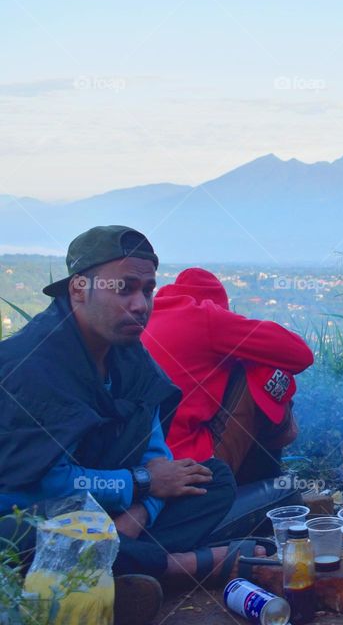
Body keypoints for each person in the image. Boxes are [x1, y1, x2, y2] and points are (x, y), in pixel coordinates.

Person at [0, 227, 258, 625]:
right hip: (32, 512)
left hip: (114, 515)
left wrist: (138, 513)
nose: (140, 304)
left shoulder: (129, 355)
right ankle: (180, 566)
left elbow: (158, 458)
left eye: (148, 290)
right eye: (124, 289)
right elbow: (46, 483)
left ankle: (108, 568)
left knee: (212, 478)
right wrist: (139, 483)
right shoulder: (30, 366)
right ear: (79, 289)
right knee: (28, 529)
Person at [142, 268, 314, 485]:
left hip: (144, 464)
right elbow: (300, 354)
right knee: (259, 371)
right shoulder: (204, 316)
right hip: (186, 464)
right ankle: (265, 483)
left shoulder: (147, 314)